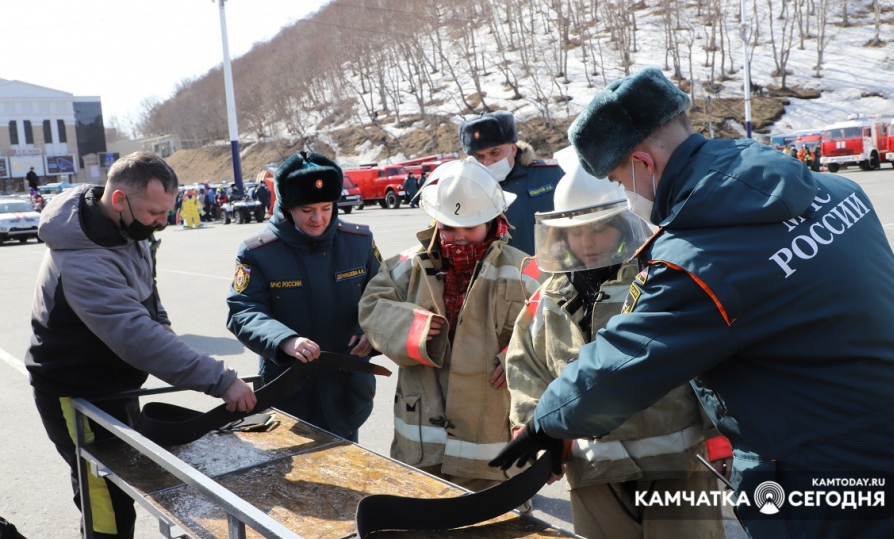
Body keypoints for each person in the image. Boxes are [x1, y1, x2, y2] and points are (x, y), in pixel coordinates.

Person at [490, 67, 894, 538]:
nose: (627, 194)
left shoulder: (700, 261)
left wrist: (546, 423)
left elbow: (621, 366)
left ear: (642, 164)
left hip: (829, 477)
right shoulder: (837, 192)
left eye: (618, 179)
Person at [25, 152, 256, 539]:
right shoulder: (83, 260)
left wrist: (162, 322)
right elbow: (133, 334)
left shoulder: (127, 228)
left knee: (122, 483)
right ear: (119, 200)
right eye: (153, 212)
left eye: (167, 211)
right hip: (74, 393)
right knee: (107, 503)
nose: (162, 221)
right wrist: (220, 380)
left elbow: (147, 288)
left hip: (114, 382)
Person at [506, 155, 727, 539]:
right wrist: (536, 430)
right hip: (592, 472)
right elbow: (526, 367)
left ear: (624, 227)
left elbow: (706, 362)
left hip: (678, 465)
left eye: (599, 230)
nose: (588, 243)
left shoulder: (660, 282)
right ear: (559, 236)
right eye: (576, 232)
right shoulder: (547, 300)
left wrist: (719, 435)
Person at [358, 158, 541, 491]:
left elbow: (550, 329)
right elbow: (372, 308)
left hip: (491, 454)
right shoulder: (404, 266)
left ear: (494, 222)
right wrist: (413, 330)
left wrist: (515, 355)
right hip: (422, 450)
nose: (457, 238)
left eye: (469, 227)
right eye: (447, 227)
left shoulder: (525, 271)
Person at [227, 152, 383, 441]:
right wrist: (285, 340)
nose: (318, 218)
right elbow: (243, 311)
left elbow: (384, 297)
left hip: (348, 387)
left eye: (326, 207)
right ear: (287, 209)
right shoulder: (258, 252)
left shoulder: (359, 242)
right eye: (307, 209)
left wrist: (372, 332)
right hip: (290, 388)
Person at [458, 111, 563, 256]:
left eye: (495, 153)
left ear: (513, 149)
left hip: (547, 271)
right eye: (479, 156)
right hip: (494, 275)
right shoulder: (461, 188)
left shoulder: (550, 175)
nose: (488, 162)